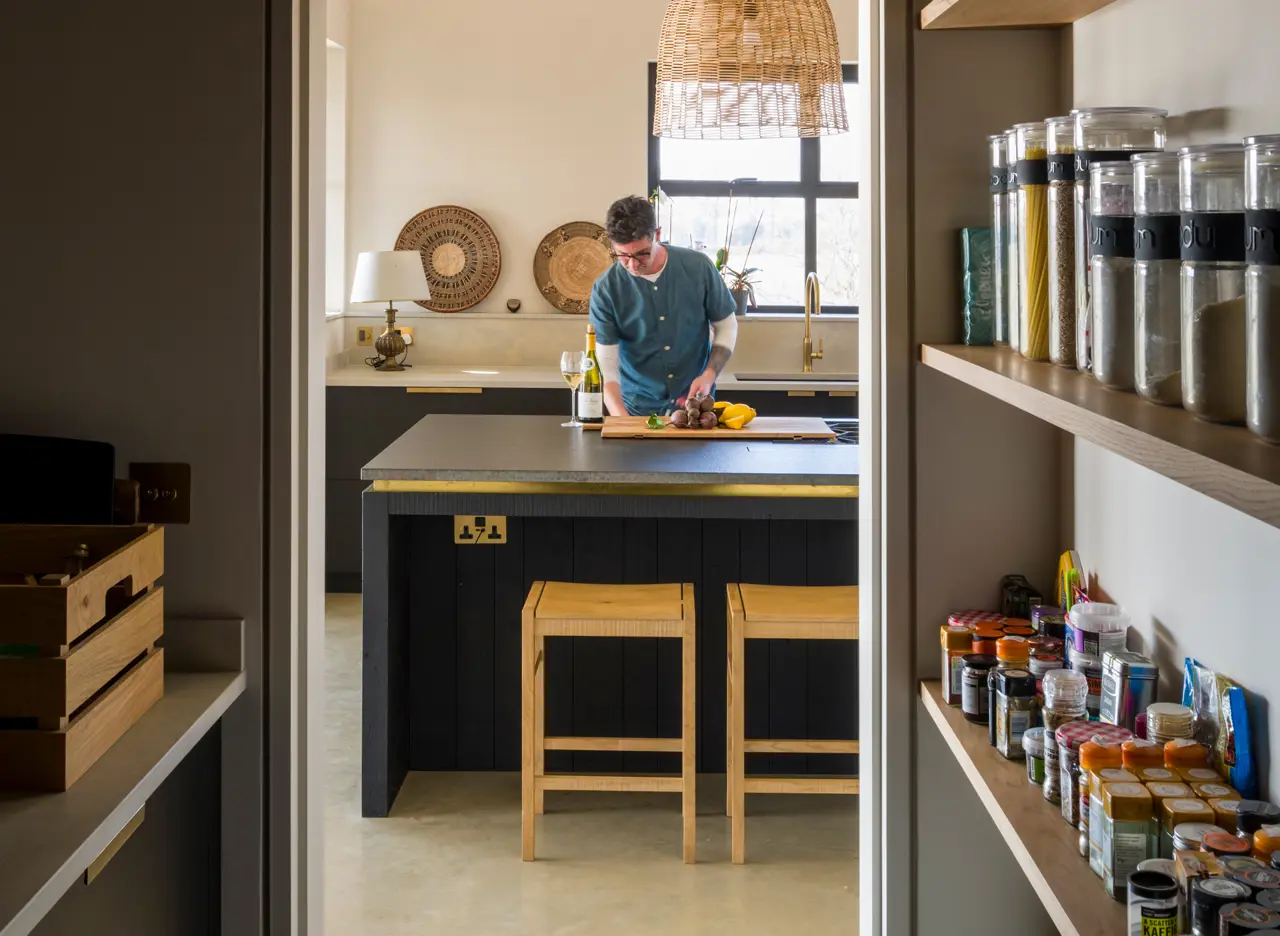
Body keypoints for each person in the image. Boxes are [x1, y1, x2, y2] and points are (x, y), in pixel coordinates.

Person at [589, 195, 738, 417]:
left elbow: (726, 325)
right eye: (622, 256)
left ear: (657, 234)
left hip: (695, 409)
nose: (632, 264)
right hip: (636, 408)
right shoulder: (606, 289)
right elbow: (608, 365)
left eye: (641, 254)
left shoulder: (699, 267)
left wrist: (708, 375)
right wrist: (621, 419)